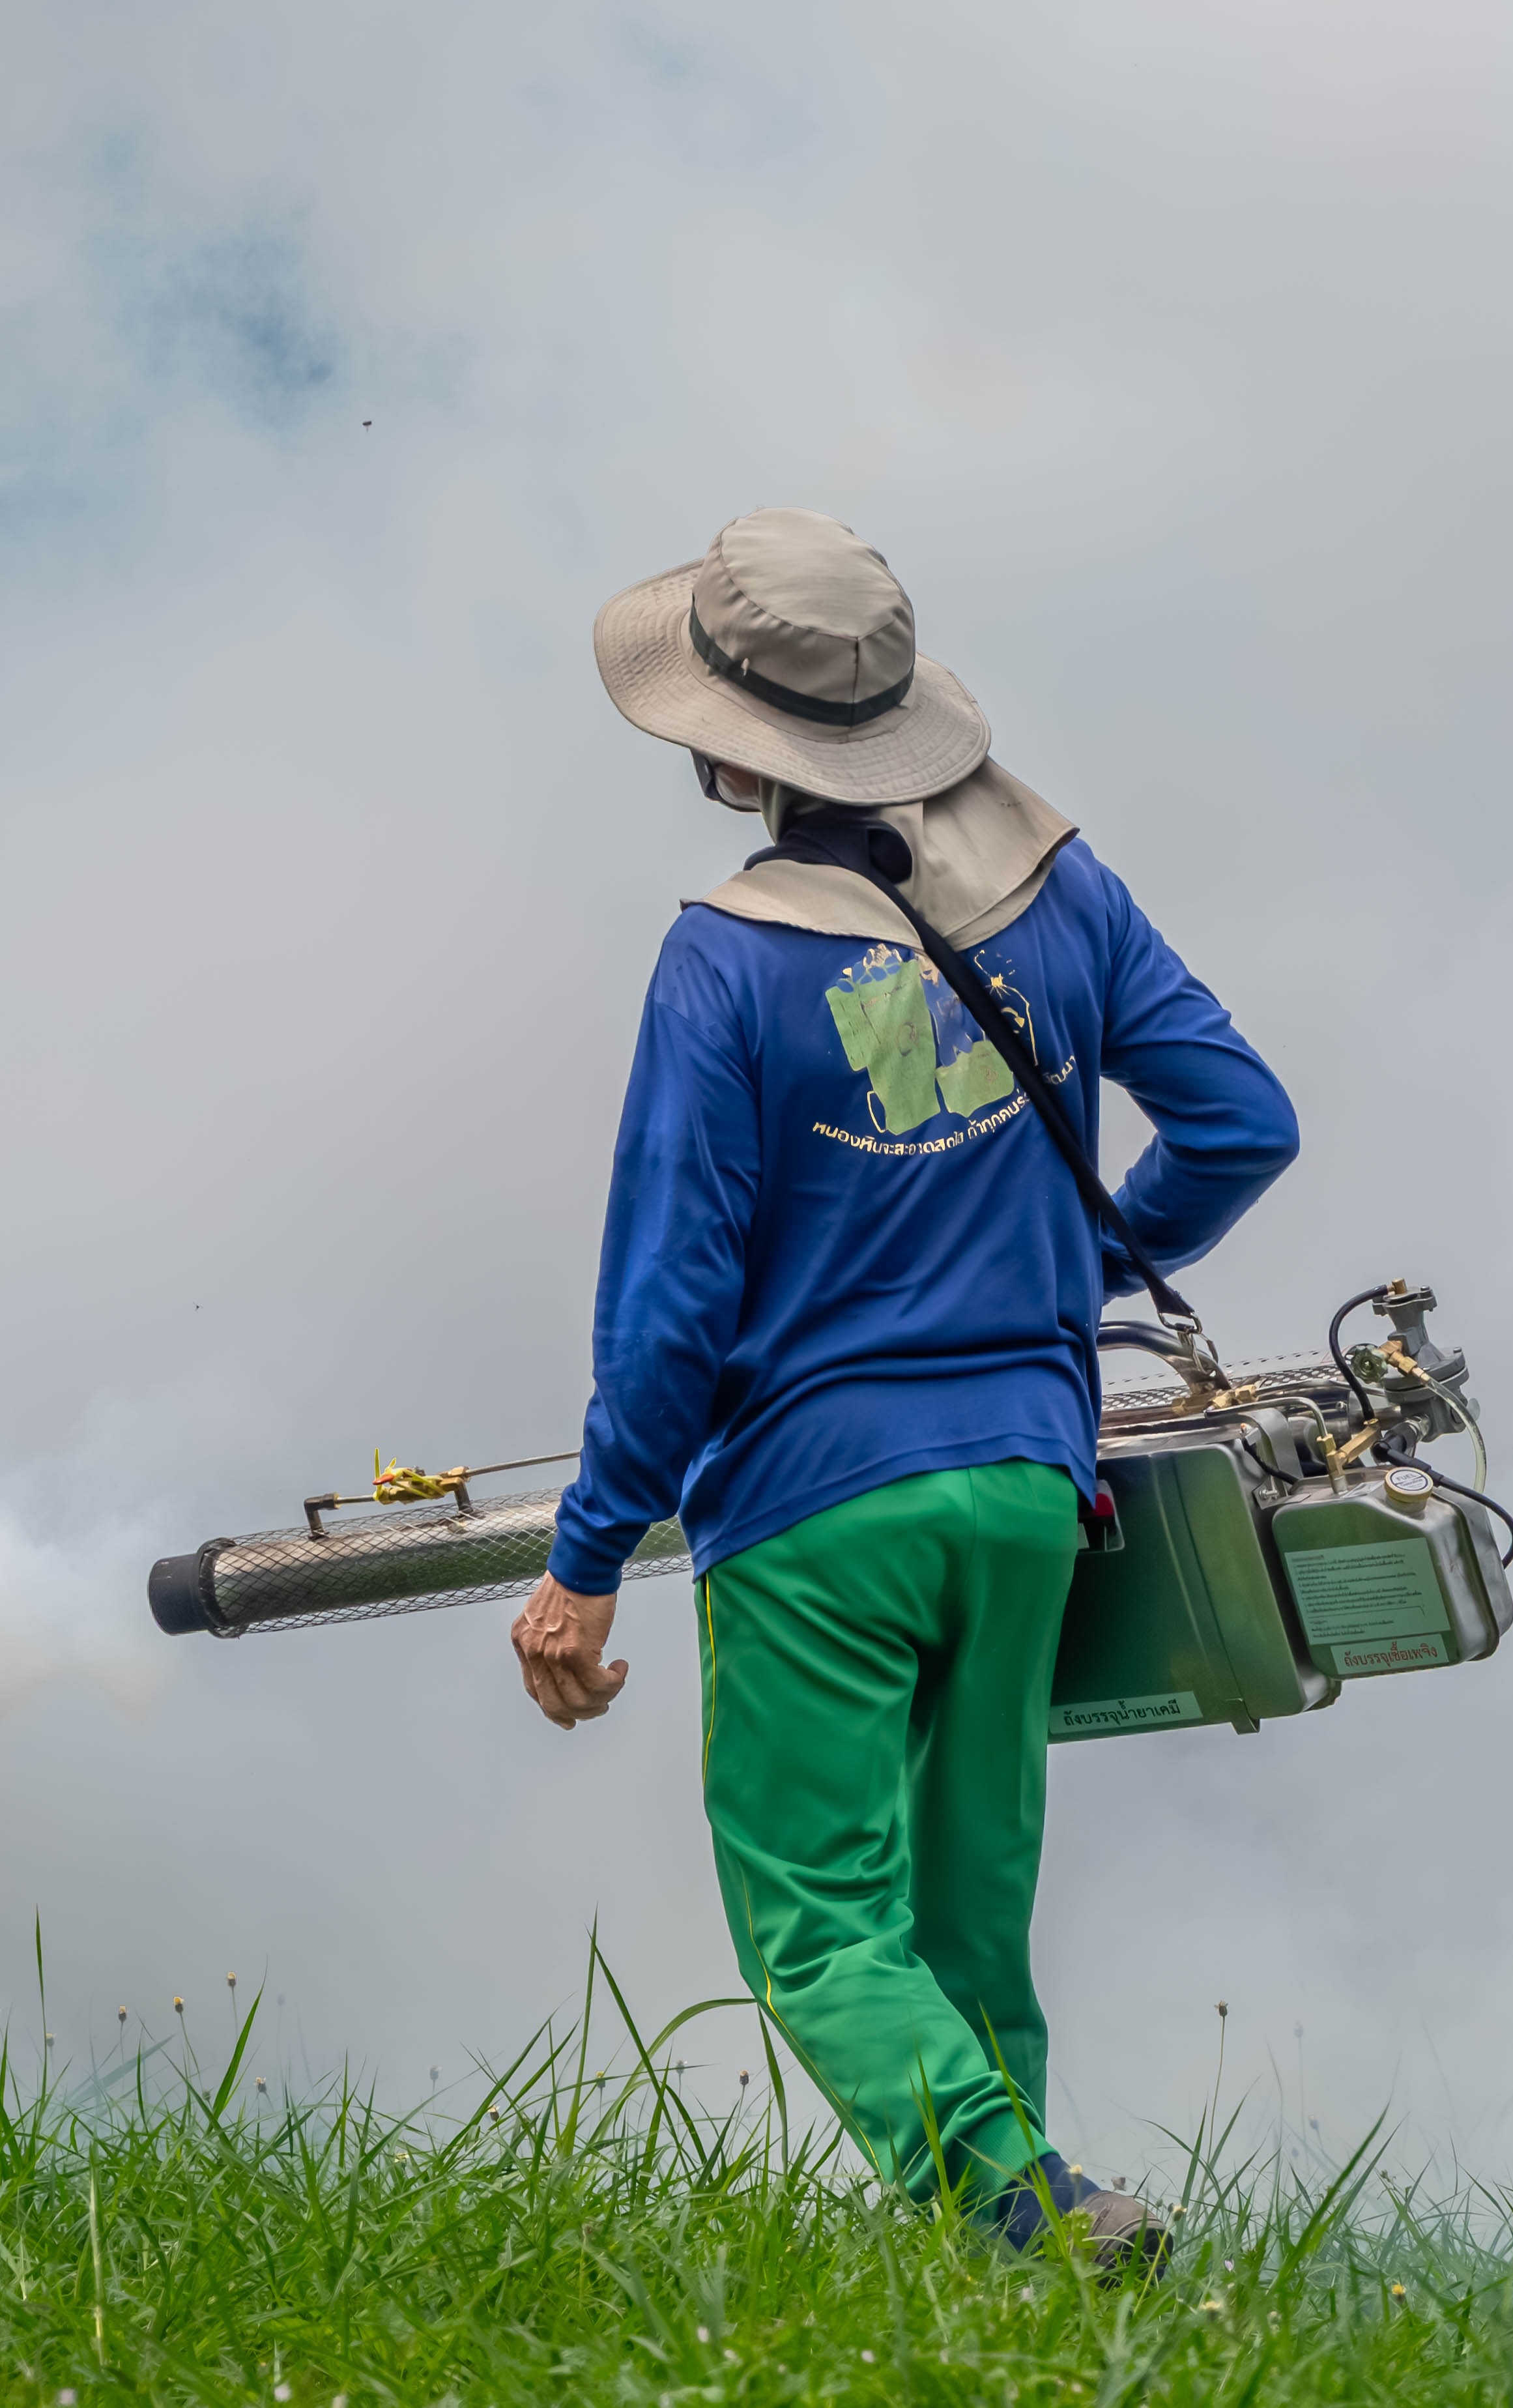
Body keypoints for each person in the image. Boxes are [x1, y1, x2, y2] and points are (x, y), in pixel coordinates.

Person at [513, 507, 1299, 2273]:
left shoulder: (726, 956)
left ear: (729, 750)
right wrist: (1063, 1277)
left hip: (818, 1508)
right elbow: (1243, 1122)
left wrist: (580, 1561)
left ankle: (1020, 2213)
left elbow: (670, 1309)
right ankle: (1041, 2271)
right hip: (1030, 1487)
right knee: (969, 1914)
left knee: (820, 1924)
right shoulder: (1060, 886)